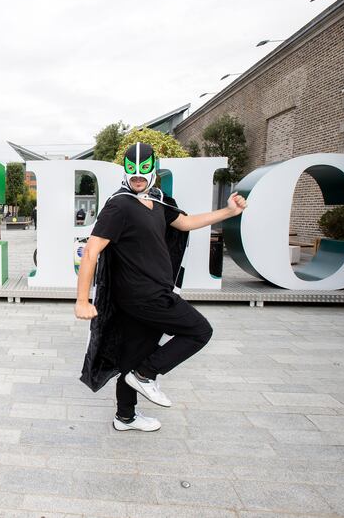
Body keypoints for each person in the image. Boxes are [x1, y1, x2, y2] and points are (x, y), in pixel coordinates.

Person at [76, 142, 247, 432]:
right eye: (133, 171)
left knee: (133, 355)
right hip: (144, 295)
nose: (138, 176)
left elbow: (187, 223)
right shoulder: (119, 205)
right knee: (199, 330)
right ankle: (145, 375)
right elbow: (92, 251)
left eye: (144, 170)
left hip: (148, 293)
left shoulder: (158, 202)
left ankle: (125, 416)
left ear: (154, 170)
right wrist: (82, 299)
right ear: (125, 171)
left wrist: (228, 212)